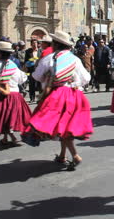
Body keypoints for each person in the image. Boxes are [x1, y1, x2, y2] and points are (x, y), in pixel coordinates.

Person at [22, 31, 93, 171]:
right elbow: (86, 78)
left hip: (57, 95)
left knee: (61, 128)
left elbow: (36, 76)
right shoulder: (75, 59)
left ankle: (76, 156)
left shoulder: (49, 59)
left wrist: (48, 78)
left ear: (55, 44)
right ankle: (62, 155)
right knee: (64, 128)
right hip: (75, 95)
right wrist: (73, 83)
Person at [25, 39, 40, 103]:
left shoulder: (41, 51)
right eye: (33, 43)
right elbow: (26, 61)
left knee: (40, 85)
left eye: (36, 43)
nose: (35, 44)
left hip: (39, 70)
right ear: (31, 44)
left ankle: (40, 98)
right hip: (31, 70)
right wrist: (32, 59)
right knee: (31, 85)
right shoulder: (28, 51)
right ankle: (32, 98)